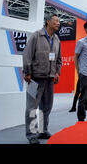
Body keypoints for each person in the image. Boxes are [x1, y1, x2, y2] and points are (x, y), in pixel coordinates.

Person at [22, 13, 62, 144]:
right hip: (34, 78)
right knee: (32, 107)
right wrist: (27, 72)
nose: (58, 23)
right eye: (56, 21)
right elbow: (27, 54)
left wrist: (57, 72)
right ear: (48, 22)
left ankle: (43, 130)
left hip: (50, 79)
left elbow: (58, 59)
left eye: (59, 21)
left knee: (47, 107)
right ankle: (32, 135)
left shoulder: (56, 39)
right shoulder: (36, 36)